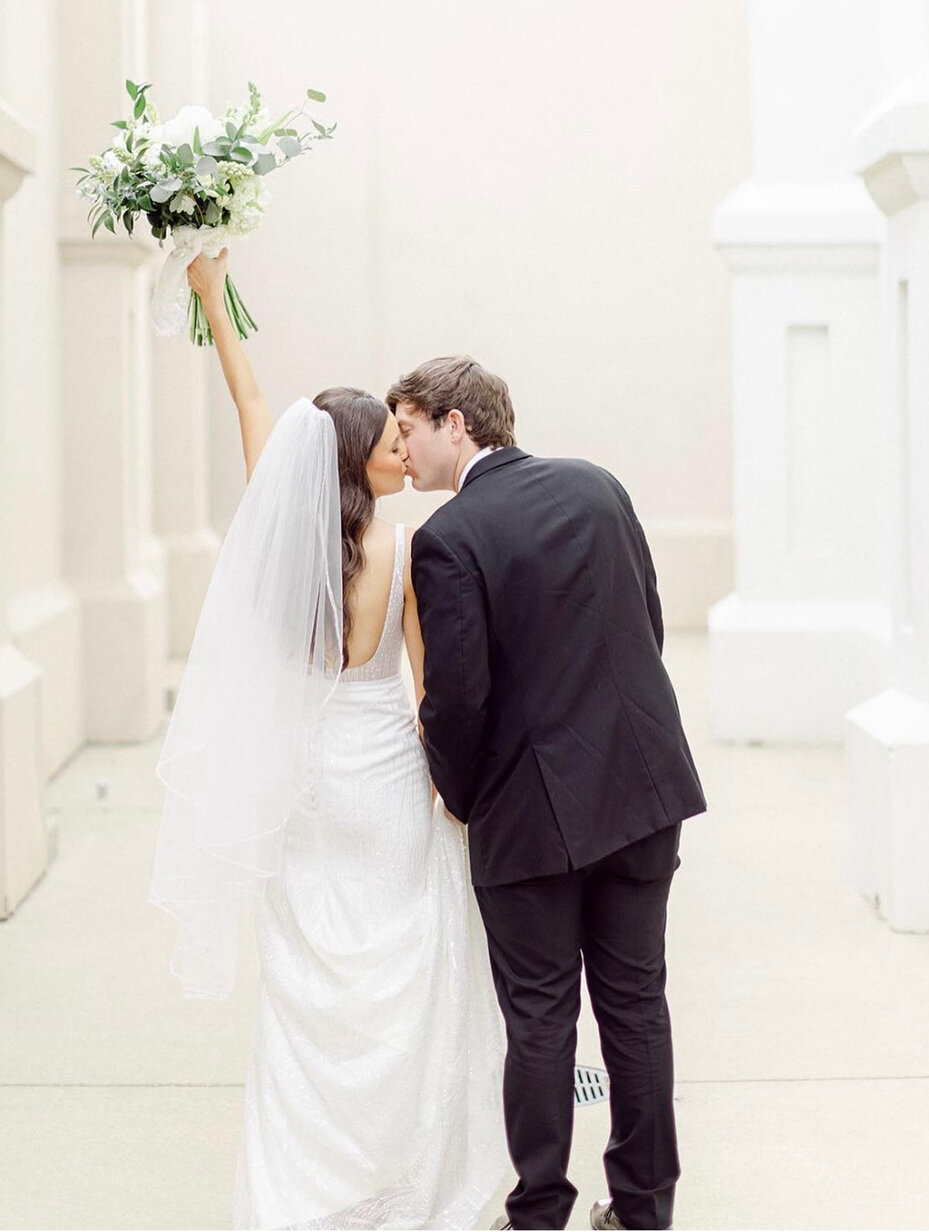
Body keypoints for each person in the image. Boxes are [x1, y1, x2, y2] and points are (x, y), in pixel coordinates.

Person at [149, 260, 507, 1230]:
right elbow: (429, 689)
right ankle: (399, 1174)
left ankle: (299, 1190)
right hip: (387, 776)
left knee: (306, 992)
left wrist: (208, 287)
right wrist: (457, 790)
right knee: (402, 977)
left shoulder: (283, 519)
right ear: (359, 458)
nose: (403, 445)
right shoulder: (413, 546)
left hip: (304, 786)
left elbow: (250, 390)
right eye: (391, 438)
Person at [390, 356, 707, 1232]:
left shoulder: (449, 538)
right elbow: (646, 620)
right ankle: (644, 1210)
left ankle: (539, 1214)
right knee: (636, 1005)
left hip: (531, 817)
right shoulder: (599, 486)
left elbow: (458, 698)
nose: (403, 452)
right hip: (643, 790)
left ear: (458, 424)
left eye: (409, 428)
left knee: (539, 1020)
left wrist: (456, 792)